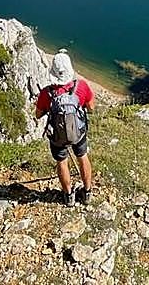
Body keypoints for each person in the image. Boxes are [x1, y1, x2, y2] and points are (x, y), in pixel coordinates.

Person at [35, 49, 95, 206]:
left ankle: (68, 197)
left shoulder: (46, 93)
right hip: (78, 132)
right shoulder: (81, 86)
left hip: (57, 137)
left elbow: (38, 114)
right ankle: (87, 192)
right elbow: (91, 108)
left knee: (62, 161)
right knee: (82, 157)